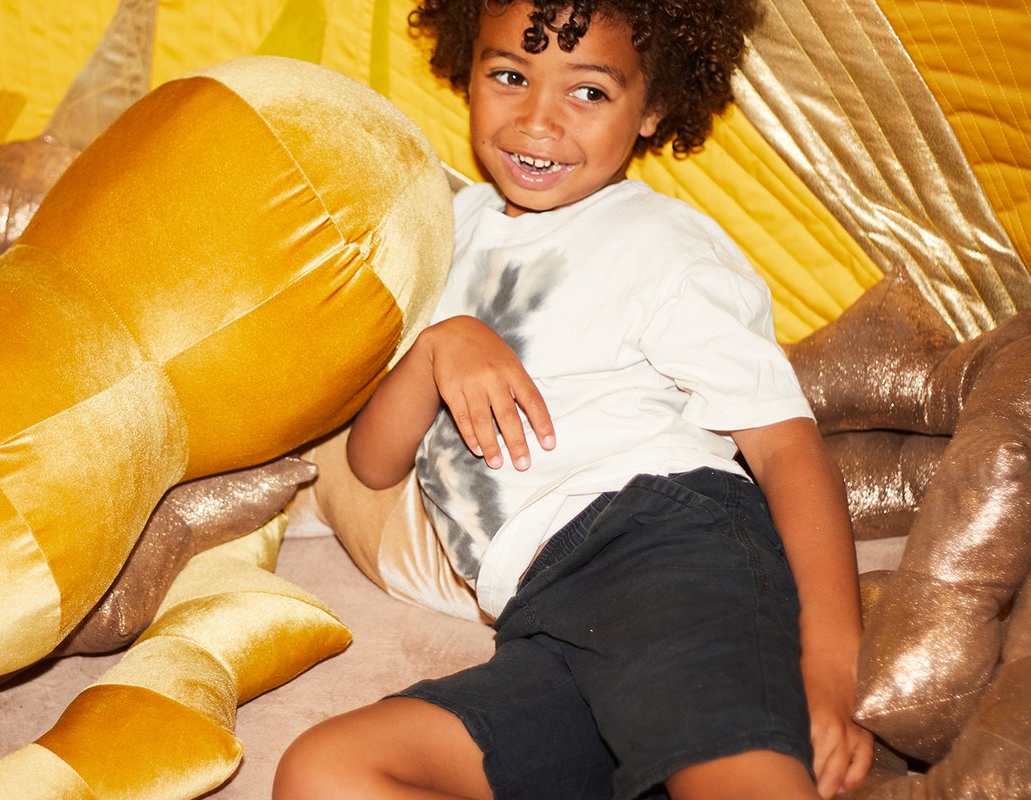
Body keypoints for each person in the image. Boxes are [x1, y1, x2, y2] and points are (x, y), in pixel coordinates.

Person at [273, 1, 874, 798]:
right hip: (539, 618)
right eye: (510, 76)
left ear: (654, 107)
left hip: (663, 549)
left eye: (587, 92)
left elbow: (785, 448)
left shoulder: (661, 244)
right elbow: (373, 466)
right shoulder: (441, 233)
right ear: (469, 72)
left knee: (736, 777)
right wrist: (433, 349)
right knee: (327, 771)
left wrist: (830, 672)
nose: (538, 121)